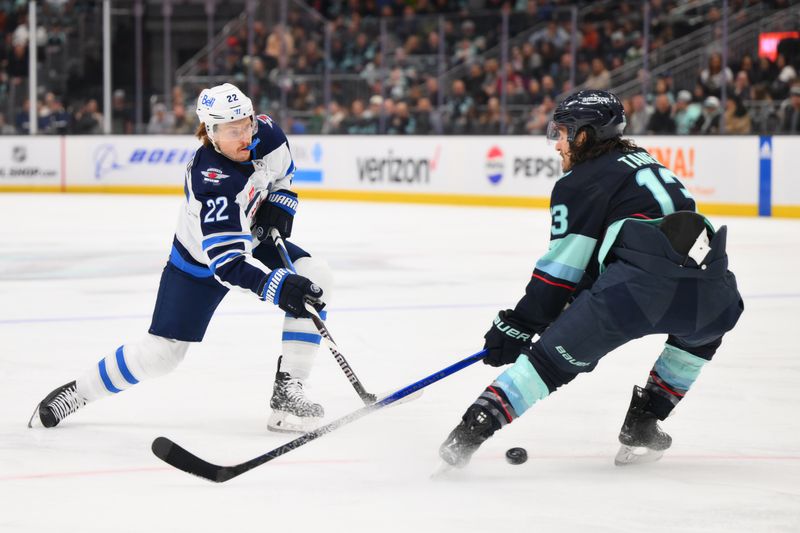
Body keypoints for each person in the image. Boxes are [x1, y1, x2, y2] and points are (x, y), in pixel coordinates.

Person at [438, 90, 743, 468]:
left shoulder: (580, 182)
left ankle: (467, 436)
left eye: (562, 133)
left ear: (585, 135)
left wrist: (519, 325)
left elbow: (560, 271)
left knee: (547, 364)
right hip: (713, 295)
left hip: (633, 295)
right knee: (700, 338)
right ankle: (645, 423)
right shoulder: (645, 162)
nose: (557, 145)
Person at [29, 83, 334, 434]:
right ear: (210, 133)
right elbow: (228, 265)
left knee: (316, 275)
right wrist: (278, 289)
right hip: (201, 263)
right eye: (232, 130)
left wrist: (280, 202)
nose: (244, 136)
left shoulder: (267, 134)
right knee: (161, 355)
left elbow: (283, 175)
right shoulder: (212, 180)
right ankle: (79, 392)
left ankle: (286, 396)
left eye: (246, 124)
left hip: (251, 234)